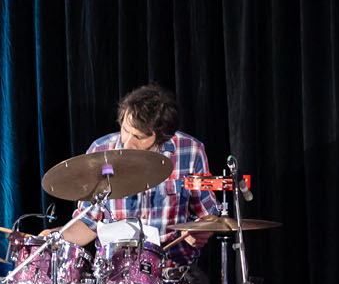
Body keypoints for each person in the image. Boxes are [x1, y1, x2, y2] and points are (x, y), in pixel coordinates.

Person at [43, 84, 221, 257]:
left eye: (138, 137)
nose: (127, 143)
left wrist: (200, 231)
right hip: (114, 273)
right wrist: (56, 237)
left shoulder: (190, 151)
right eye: (126, 130)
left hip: (173, 271)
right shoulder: (100, 151)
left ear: (161, 137)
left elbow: (208, 215)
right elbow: (88, 223)